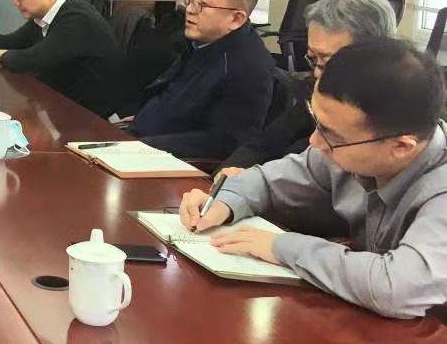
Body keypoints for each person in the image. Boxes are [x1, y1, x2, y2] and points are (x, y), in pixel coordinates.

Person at [179, 38, 447, 319]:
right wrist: (224, 202)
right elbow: (269, 182)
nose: (314, 141)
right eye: (317, 122)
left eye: (332, 135)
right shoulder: (345, 150)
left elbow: (396, 288)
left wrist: (283, 247)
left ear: (401, 147)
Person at [219, 0, 398, 175]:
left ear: (372, 55)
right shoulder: (312, 89)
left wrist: (256, 181)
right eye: (313, 58)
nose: (317, 72)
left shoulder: (391, 117)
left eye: (327, 61)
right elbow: (264, 144)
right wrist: (228, 173)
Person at [129, 0, 275, 160]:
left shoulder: (248, 69)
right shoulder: (202, 41)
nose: (189, 10)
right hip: (136, 140)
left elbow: (226, 142)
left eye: (202, 5)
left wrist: (141, 147)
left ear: (236, 19)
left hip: (163, 160)